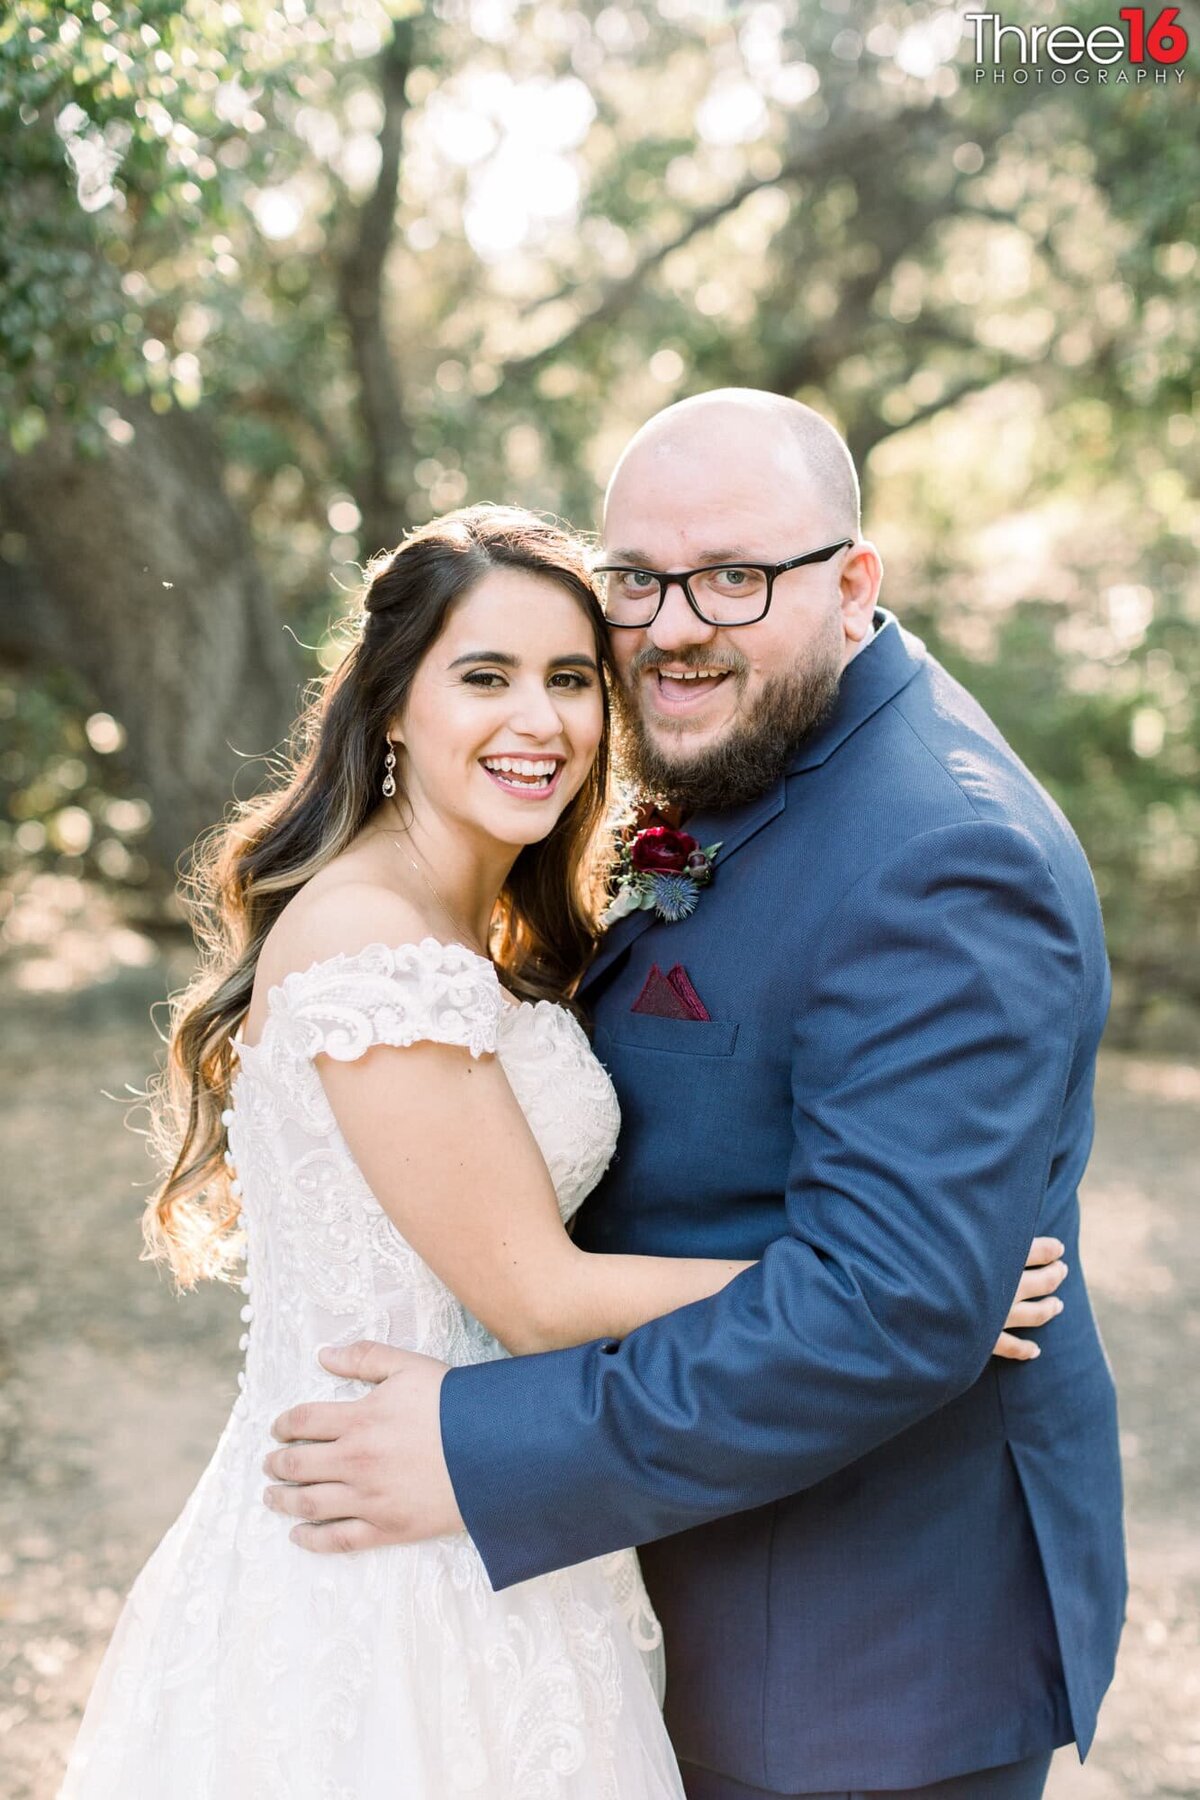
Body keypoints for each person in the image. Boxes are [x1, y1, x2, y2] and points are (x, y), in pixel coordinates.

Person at [60, 500, 1060, 1800]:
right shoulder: (372, 940)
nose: (541, 722)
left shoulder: (481, 927)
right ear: (391, 706)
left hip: (506, 1514)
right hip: (380, 1555)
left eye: (572, 680)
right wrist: (901, 1288)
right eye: (486, 677)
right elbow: (539, 1297)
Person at [265, 393, 1127, 1800]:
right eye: (639, 579)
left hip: (855, 1646)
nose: (673, 625)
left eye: (735, 576)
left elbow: (891, 1306)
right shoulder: (741, 753)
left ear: (853, 585)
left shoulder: (943, 859)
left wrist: (484, 1448)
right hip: (642, 1577)